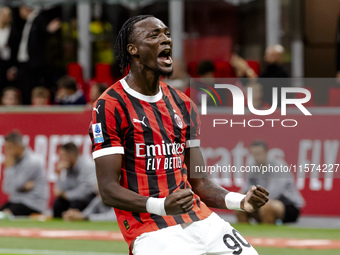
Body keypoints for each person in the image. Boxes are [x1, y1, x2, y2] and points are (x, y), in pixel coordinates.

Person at [89, 15, 269, 255]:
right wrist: (162, 206)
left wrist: (241, 202)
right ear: (133, 50)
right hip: (152, 230)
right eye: (154, 35)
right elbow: (108, 189)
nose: (165, 40)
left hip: (202, 221)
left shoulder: (183, 104)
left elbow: (200, 182)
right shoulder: (110, 105)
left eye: (166, 34)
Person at [236, 141, 305, 225]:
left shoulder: (278, 166)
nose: (256, 157)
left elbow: (273, 193)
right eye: (254, 154)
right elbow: (246, 189)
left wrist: (253, 200)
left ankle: (267, 236)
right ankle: (245, 236)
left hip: (288, 205)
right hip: (262, 202)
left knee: (266, 207)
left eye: (259, 153)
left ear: (266, 153)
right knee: (240, 207)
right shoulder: (252, 167)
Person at [6, 4, 61, 104]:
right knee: (24, 88)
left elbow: (44, 31)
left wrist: (48, 30)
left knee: (30, 89)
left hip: (34, 64)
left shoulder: (38, 19)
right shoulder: (27, 22)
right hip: (25, 63)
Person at [0, 131, 48, 216]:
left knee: (6, 215)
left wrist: (9, 169)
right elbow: (6, 189)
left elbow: (15, 186)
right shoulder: (15, 161)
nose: (7, 151)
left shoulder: (32, 162)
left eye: (9, 147)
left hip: (32, 204)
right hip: (17, 201)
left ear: (18, 146)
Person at [53, 142, 97, 218]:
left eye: (63, 156)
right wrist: (58, 174)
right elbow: (61, 190)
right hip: (73, 197)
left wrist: (65, 194)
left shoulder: (87, 166)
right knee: (58, 204)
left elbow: (83, 192)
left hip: (87, 199)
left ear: (72, 155)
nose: (61, 159)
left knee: (75, 203)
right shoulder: (68, 168)